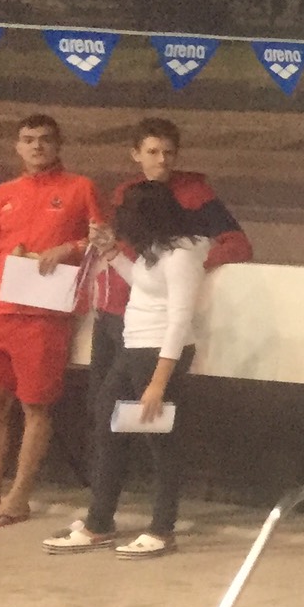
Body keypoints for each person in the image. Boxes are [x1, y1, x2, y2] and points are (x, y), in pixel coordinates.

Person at [45, 181, 206, 556]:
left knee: (162, 441)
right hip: (133, 347)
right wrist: (112, 253)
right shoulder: (156, 250)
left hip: (159, 354)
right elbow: (143, 284)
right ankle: (99, 522)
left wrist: (158, 383)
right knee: (107, 425)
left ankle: (162, 528)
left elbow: (179, 320)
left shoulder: (182, 256)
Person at [0, 115, 106, 526]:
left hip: (44, 314)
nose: (36, 146)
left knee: (35, 405)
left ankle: (18, 497)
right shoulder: (2, 194)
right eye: (28, 139)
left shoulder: (80, 187)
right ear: (17, 146)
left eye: (44, 139)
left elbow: (103, 239)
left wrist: (69, 247)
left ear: (58, 145)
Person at [88, 116, 251, 392]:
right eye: (153, 152)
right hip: (116, 309)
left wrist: (188, 268)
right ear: (136, 154)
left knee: (132, 406)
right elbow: (124, 246)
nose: (162, 160)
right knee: (103, 403)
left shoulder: (195, 194)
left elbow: (238, 245)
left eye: (169, 152)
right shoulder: (127, 193)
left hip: (153, 324)